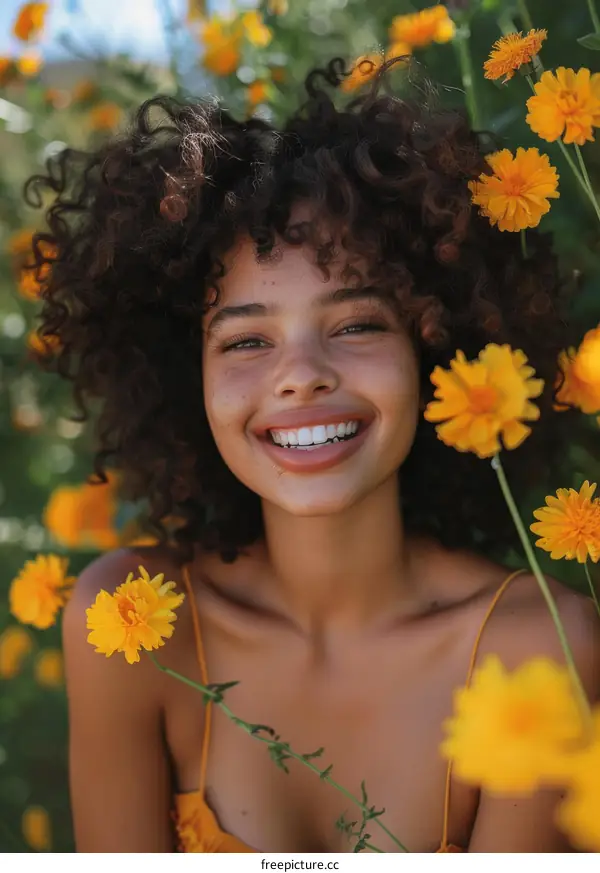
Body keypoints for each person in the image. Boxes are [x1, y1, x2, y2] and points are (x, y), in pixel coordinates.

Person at [28, 56, 599, 853]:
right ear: (186, 379)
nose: (301, 375)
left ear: (436, 349)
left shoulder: (543, 648)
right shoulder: (129, 624)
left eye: (356, 324)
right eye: (246, 340)